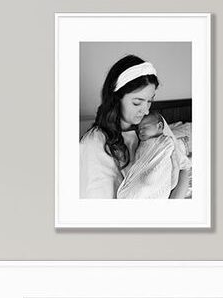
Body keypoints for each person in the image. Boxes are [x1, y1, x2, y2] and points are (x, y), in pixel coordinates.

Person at [80, 54, 189, 200]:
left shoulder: (154, 123)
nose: (145, 111)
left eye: (150, 101)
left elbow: (183, 167)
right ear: (116, 98)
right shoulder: (94, 144)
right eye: (137, 103)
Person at [116, 111, 188, 200]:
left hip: (160, 177)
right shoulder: (141, 144)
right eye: (138, 129)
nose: (140, 131)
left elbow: (180, 162)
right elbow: (138, 162)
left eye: (144, 127)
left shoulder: (166, 142)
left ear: (160, 126)